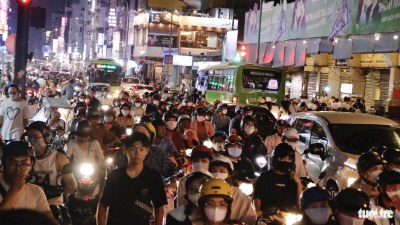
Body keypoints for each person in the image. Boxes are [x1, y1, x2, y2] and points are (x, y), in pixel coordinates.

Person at [97, 132, 167, 225]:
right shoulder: (114, 176)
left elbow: (159, 209)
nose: (137, 153)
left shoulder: (153, 177)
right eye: (133, 149)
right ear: (125, 150)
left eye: (141, 149)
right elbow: (102, 206)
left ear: (147, 151)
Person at [25, 121, 77, 223]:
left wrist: (70, 184)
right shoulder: (24, 159)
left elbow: (70, 178)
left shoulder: (58, 157)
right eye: (29, 137)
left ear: (46, 138)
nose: (31, 140)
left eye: (36, 137)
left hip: (52, 203)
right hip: (29, 203)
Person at [0, 141, 55, 222]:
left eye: (24, 163)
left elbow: (48, 220)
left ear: (31, 164)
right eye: (12, 163)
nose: (18, 169)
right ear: (4, 164)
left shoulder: (36, 191)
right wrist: (14, 189)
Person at [254, 143, 303, 216]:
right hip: (269, 217)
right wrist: (259, 214)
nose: (285, 161)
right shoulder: (265, 177)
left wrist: (299, 183)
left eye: (289, 159)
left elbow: (299, 203)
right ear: (275, 159)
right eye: (282, 158)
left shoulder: (293, 178)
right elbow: (257, 198)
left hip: (289, 217)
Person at [209, 156, 257, 224]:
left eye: (222, 171)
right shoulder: (204, 191)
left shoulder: (239, 195)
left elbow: (251, 220)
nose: (217, 174)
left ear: (229, 174)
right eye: (214, 171)